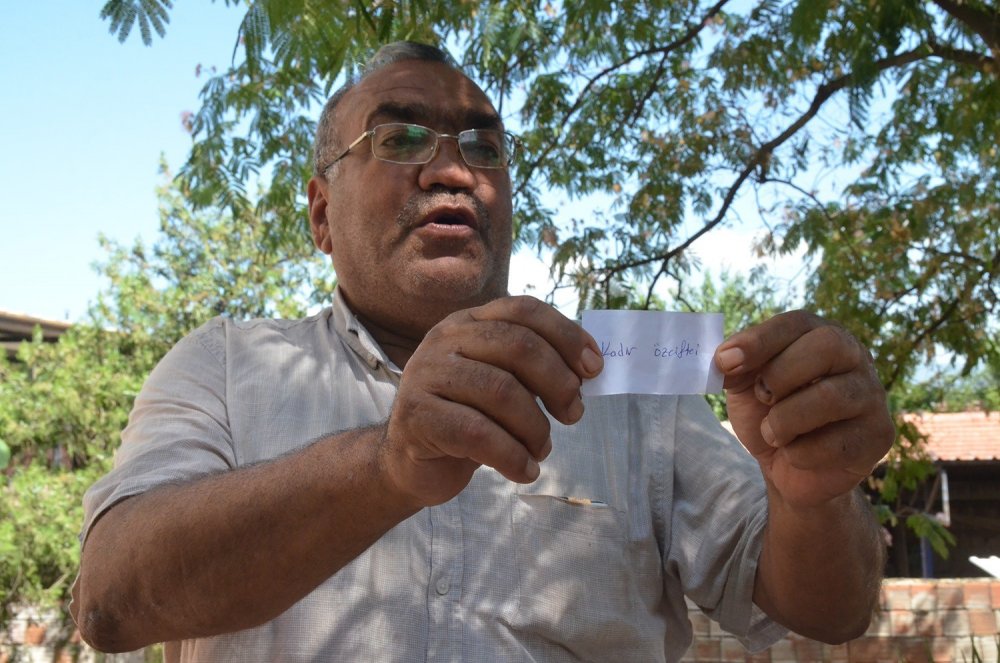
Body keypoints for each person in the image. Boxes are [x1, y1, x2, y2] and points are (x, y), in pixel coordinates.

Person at [71, 41, 893, 662]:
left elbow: (831, 607)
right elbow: (109, 601)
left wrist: (815, 498)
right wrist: (385, 465)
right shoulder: (222, 366)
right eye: (401, 140)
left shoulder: (628, 388)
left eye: (483, 147)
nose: (455, 171)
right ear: (320, 214)